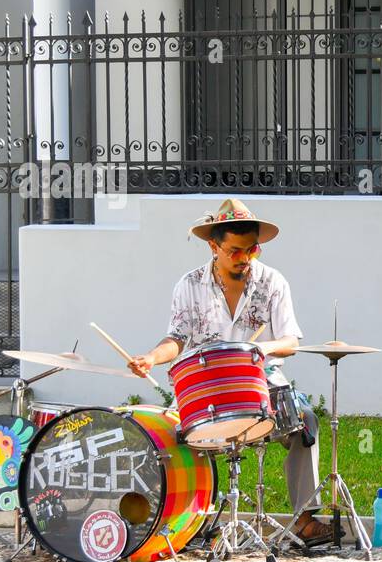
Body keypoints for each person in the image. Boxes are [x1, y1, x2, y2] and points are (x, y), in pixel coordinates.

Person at [129, 198, 328, 543]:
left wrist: (257, 348)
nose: (244, 259)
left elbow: (291, 341)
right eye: (235, 251)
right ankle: (179, 523)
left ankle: (305, 519)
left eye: (252, 250)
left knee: (305, 422)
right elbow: (176, 338)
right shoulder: (189, 285)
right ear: (213, 246)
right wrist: (151, 357)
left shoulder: (273, 282)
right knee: (166, 437)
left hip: (260, 381)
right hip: (206, 387)